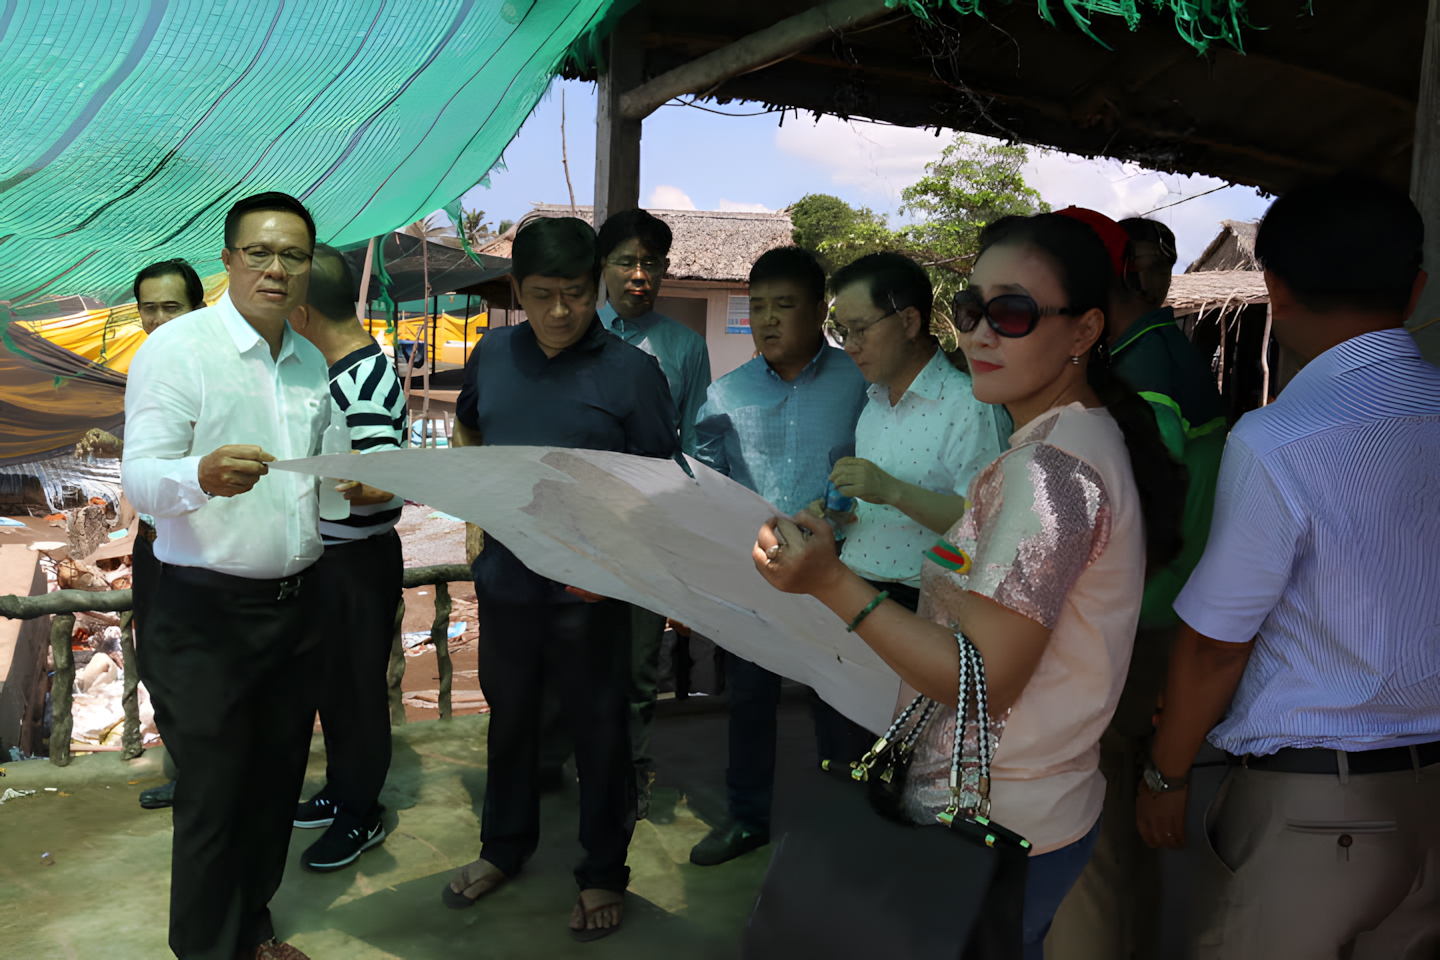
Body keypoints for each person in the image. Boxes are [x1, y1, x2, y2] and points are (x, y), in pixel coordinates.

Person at [753, 212, 1186, 959]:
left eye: (1012, 313)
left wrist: (828, 583)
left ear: (1083, 331)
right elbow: (982, 598)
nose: (981, 334)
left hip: (995, 815)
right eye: (973, 309)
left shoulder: (1049, 470)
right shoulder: (1064, 439)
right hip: (1027, 800)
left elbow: (979, 676)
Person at [1136, 173, 1440, 959]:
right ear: (1415, 289)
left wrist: (1167, 776)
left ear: (1271, 288)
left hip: (1320, 810)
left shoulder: (1279, 441)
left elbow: (1216, 645)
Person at [444, 216, 678, 940]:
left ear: (596, 286)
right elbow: (471, 433)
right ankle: (502, 849)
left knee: (599, 733)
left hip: (594, 592)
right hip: (510, 583)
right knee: (510, 723)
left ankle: (604, 870)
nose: (558, 312)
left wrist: (615, 562)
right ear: (518, 290)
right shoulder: (492, 355)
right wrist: (479, 521)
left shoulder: (632, 375)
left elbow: (662, 484)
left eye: (575, 294)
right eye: (542, 295)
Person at [123, 192, 330, 960]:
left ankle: (251, 928)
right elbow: (140, 480)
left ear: (309, 267)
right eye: (260, 252)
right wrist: (200, 476)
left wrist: (370, 482)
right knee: (214, 791)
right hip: (202, 613)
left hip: (297, 606)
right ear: (229, 260)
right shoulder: (177, 352)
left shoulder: (309, 362)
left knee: (274, 783)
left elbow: (324, 477)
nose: (276, 269)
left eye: (294, 256)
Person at [1046, 212, 1226, 959]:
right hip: (1154, 617)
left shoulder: (1143, 374)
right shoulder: (1150, 352)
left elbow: (1124, 526)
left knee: (1090, 849)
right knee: (1119, 847)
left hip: (1137, 628)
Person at [689, 246, 869, 866]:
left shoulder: (860, 383)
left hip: (839, 572)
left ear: (820, 310)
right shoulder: (724, 394)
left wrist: (835, 506)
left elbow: (878, 463)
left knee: (840, 698)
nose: (767, 321)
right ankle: (747, 818)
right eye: (757, 307)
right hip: (755, 572)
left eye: (784, 307)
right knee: (750, 699)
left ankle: (846, 820)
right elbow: (702, 481)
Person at [556, 208, 712, 816]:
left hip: (650, 525)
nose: (638, 274)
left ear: (665, 271)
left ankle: (633, 771)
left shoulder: (685, 347)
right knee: (575, 653)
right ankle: (577, 764)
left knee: (638, 664)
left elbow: (696, 442)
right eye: (625, 261)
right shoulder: (573, 331)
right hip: (579, 524)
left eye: (651, 263)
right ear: (604, 268)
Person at [287, 245, 406, 871]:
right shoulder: (338, 369)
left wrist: (375, 483)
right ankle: (340, 790)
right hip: (333, 562)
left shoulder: (361, 379)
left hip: (356, 564)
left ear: (302, 313)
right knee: (334, 686)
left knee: (357, 692)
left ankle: (364, 813)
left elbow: (385, 465)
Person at [75, 257, 206, 812]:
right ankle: (189, 775)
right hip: (153, 542)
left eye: (170, 307)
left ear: (197, 310)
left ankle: (212, 784)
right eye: (147, 308)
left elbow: (204, 460)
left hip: (201, 545)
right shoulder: (149, 367)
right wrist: (118, 448)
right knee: (158, 661)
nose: (156, 319)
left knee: (201, 666)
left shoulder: (211, 369)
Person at [819, 252, 1005, 610]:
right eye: (843, 331)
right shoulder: (873, 404)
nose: (850, 346)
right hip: (853, 583)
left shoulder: (968, 405)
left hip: (922, 603)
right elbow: (874, 508)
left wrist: (890, 489)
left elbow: (984, 525)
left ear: (908, 322)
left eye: (860, 329)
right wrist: (841, 513)